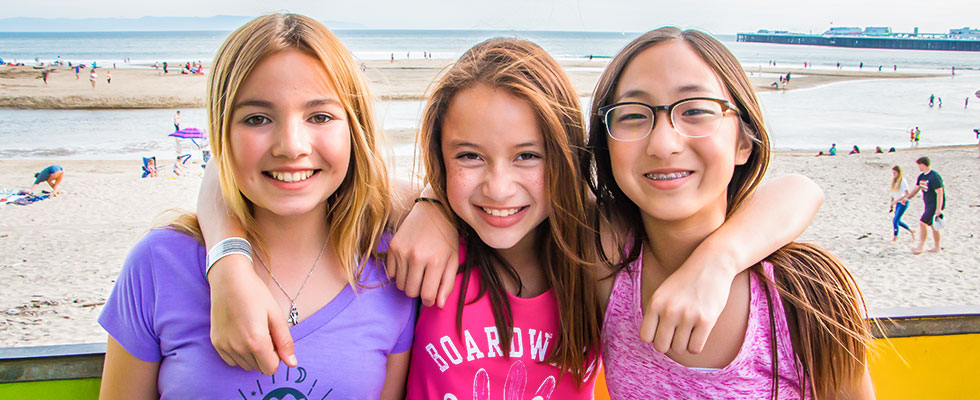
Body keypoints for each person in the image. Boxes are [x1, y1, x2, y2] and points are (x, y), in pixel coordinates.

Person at [202, 35, 824, 398]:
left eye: (529, 156)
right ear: (440, 163)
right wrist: (229, 264)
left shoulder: (593, 249)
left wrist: (719, 260)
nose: (499, 187)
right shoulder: (421, 245)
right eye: (468, 157)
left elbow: (799, 189)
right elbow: (245, 174)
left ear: (569, 155)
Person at [98, 14, 418, 399]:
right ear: (222, 133)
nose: (291, 145)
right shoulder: (159, 264)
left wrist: (431, 209)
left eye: (319, 116)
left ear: (354, 128)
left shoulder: (388, 268)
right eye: (257, 118)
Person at [588, 27, 873, 399]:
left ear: (743, 141)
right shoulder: (603, 258)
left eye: (695, 111)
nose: (663, 144)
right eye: (632, 116)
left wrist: (717, 262)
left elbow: (804, 188)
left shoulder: (803, 293)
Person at [903, 156, 945, 254]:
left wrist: (939, 209)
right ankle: (937, 247)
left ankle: (920, 247)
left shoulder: (934, 177)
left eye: (919, 165)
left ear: (922, 164)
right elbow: (916, 189)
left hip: (935, 204)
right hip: (928, 203)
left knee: (922, 223)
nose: (918, 167)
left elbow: (940, 193)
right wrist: (907, 198)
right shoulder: (922, 176)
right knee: (932, 225)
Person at [889, 166, 914, 241]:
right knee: (898, 221)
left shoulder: (903, 181)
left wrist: (896, 200)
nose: (893, 175)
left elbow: (907, 193)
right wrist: (892, 203)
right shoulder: (894, 181)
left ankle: (895, 237)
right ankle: (911, 231)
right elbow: (893, 193)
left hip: (903, 203)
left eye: (895, 173)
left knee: (895, 220)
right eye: (893, 173)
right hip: (897, 203)